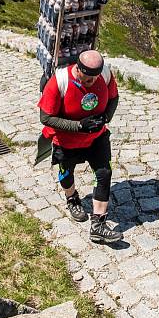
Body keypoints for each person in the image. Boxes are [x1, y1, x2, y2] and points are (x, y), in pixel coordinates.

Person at [37, 50, 122, 244]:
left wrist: (105, 117)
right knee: (67, 171)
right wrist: (78, 126)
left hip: (96, 138)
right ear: (78, 68)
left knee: (104, 173)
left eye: (95, 78)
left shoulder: (105, 75)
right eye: (87, 78)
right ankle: (72, 198)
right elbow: (46, 117)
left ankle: (98, 225)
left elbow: (114, 97)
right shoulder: (59, 81)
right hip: (66, 141)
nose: (91, 82)